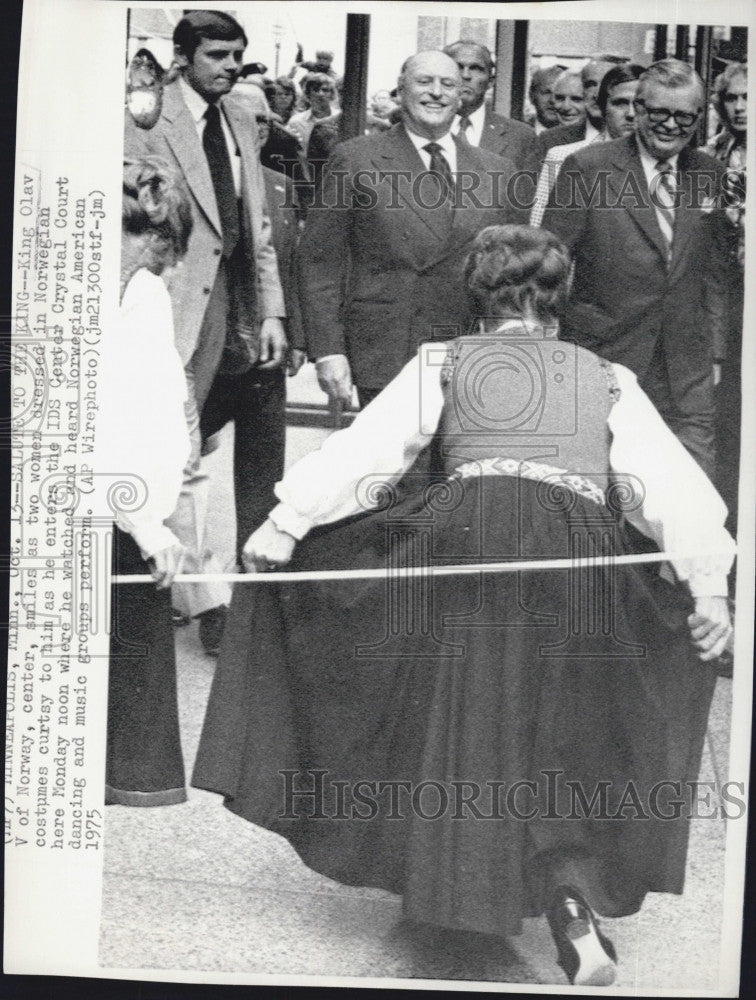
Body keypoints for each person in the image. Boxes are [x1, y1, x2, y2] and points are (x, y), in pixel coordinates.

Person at [193, 224, 734, 987]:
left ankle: (456, 898)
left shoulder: (448, 361)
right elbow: (671, 488)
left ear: (478, 298)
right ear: (560, 300)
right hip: (575, 553)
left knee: (463, 708)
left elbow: (367, 454)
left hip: (468, 538)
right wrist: (707, 584)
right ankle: (570, 901)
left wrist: (285, 524)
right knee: (561, 725)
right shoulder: (608, 376)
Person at [125, 10, 288, 655]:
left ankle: (219, 596)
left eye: (237, 56)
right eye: (217, 55)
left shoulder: (241, 119)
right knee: (177, 451)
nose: (230, 66)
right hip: (171, 305)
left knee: (217, 455)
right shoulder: (147, 115)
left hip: (240, 313)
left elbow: (259, 229)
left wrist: (271, 311)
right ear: (182, 56)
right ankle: (196, 595)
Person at [298, 49, 524, 410]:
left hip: (471, 354)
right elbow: (319, 261)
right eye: (424, 81)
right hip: (385, 350)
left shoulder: (498, 170)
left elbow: (515, 273)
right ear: (400, 91)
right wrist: (327, 349)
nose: (436, 92)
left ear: (460, 96)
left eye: (448, 84)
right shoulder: (355, 158)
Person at [542, 58, 728, 479]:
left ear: (698, 118)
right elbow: (552, 261)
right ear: (637, 110)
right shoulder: (587, 168)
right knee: (601, 480)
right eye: (659, 112)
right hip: (605, 352)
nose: (669, 125)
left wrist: (715, 350)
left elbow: (714, 272)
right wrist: (556, 347)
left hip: (687, 363)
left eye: (684, 116)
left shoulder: (711, 174)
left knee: (690, 484)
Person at [101, 157, 193, 805]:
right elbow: (129, 419)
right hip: (119, 510)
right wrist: (147, 521)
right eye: (167, 252)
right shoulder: (144, 294)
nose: (171, 268)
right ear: (153, 239)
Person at [706, 62, 746, 539]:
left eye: (748, 97)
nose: (740, 107)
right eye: (733, 98)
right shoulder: (712, 156)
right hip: (723, 302)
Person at [530, 64, 643, 226]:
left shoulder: (663, 164)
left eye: (639, 104)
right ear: (603, 106)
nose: (631, 114)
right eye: (620, 103)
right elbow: (539, 229)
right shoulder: (563, 157)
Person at [442, 40, 538, 172]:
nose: (465, 75)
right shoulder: (421, 129)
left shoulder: (521, 137)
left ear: (491, 81)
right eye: (457, 67)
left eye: (476, 68)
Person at [536, 56, 627, 162]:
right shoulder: (550, 139)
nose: (597, 94)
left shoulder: (635, 135)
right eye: (590, 85)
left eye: (606, 84)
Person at [287, 72, 336, 148]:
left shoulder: (341, 119)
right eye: (316, 90)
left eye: (325, 90)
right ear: (308, 94)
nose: (320, 94)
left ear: (332, 94)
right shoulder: (296, 122)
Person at [528, 65, 566, 133]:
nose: (552, 100)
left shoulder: (584, 137)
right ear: (531, 96)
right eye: (546, 93)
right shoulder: (517, 133)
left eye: (559, 94)